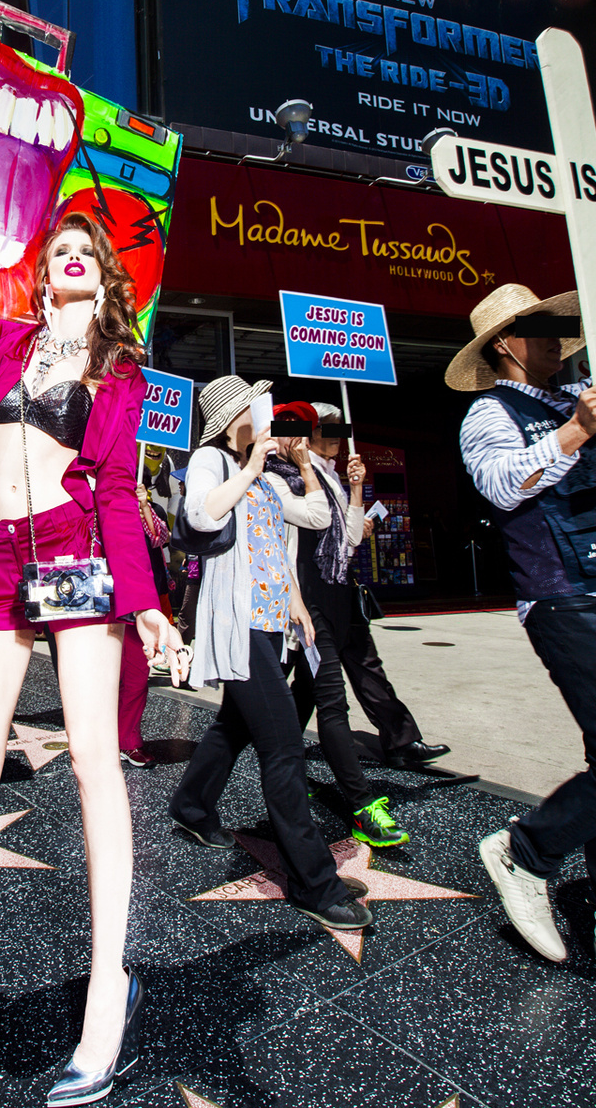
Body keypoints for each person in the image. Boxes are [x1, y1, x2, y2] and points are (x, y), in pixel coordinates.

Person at [0, 210, 186, 1107]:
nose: (69, 252)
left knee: (96, 765)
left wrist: (143, 606)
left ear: (103, 275)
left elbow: (113, 489)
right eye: (58, 244)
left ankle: (109, 988)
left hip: (73, 556)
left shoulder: (118, 370)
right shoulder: (7, 340)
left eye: (86, 248)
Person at [169, 377, 373, 933]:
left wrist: (305, 465)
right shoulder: (214, 460)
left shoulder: (264, 475)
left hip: (270, 621)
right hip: (236, 628)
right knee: (283, 746)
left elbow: (315, 518)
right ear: (234, 417)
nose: (266, 420)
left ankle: (190, 806)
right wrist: (253, 467)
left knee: (234, 727)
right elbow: (203, 516)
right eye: (254, 410)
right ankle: (314, 882)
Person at [453, 283, 596, 978]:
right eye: (539, 328)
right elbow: (501, 484)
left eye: (558, 326)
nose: (556, 337)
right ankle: (525, 851)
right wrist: (578, 430)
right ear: (502, 346)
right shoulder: (487, 412)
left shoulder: (581, 392)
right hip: (563, 597)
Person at [271, 401, 410, 848]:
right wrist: (308, 470)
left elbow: (349, 537)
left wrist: (354, 488)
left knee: (305, 696)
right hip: (306, 604)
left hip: (337, 599)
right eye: (312, 432)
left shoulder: (327, 474)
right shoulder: (275, 478)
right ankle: (361, 804)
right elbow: (316, 518)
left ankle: (281, 773)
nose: (325, 440)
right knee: (333, 703)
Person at [340, 514, 450, 768]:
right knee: (310, 684)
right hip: (313, 596)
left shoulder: (330, 482)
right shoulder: (294, 481)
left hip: (343, 591)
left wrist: (356, 528)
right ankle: (268, 746)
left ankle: (402, 742)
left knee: (369, 669)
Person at [119, 485, 173, 768]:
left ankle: (129, 740)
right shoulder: (102, 506)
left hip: (139, 604)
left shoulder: (149, 510)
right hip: (106, 604)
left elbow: (158, 538)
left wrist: (142, 507)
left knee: (137, 676)